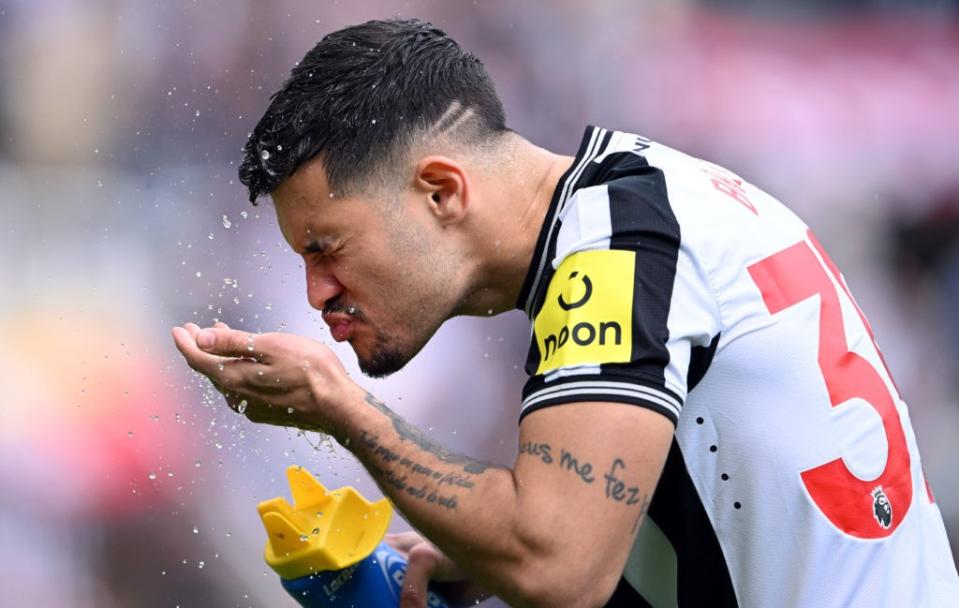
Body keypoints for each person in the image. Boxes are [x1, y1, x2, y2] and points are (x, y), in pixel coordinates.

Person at [171, 18, 959, 608]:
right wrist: (480, 556)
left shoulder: (609, 252)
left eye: (327, 246)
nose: (316, 293)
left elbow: (558, 567)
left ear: (441, 192)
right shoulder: (644, 196)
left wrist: (346, 412)